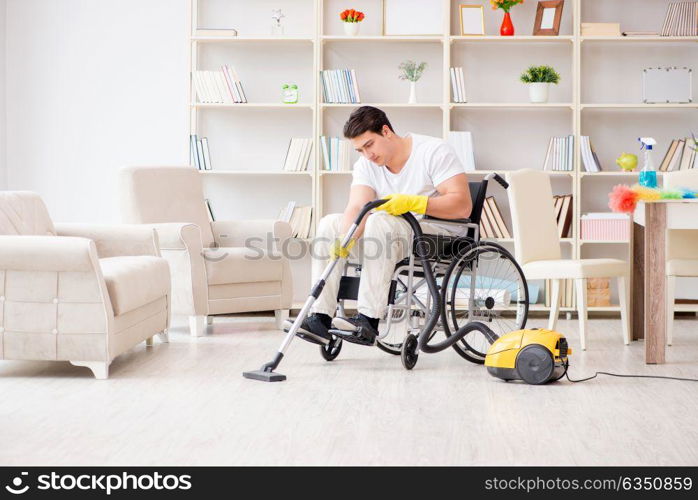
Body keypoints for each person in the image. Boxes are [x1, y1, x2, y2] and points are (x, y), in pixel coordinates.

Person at [286, 106, 473, 345]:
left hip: (437, 236)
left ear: (386, 131)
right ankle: (320, 318)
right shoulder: (367, 164)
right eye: (360, 150)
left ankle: (368, 320)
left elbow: (462, 205)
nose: (367, 155)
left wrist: (416, 202)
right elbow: (357, 207)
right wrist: (345, 239)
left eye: (369, 145)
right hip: (389, 237)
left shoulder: (433, 151)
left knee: (380, 221)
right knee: (330, 224)